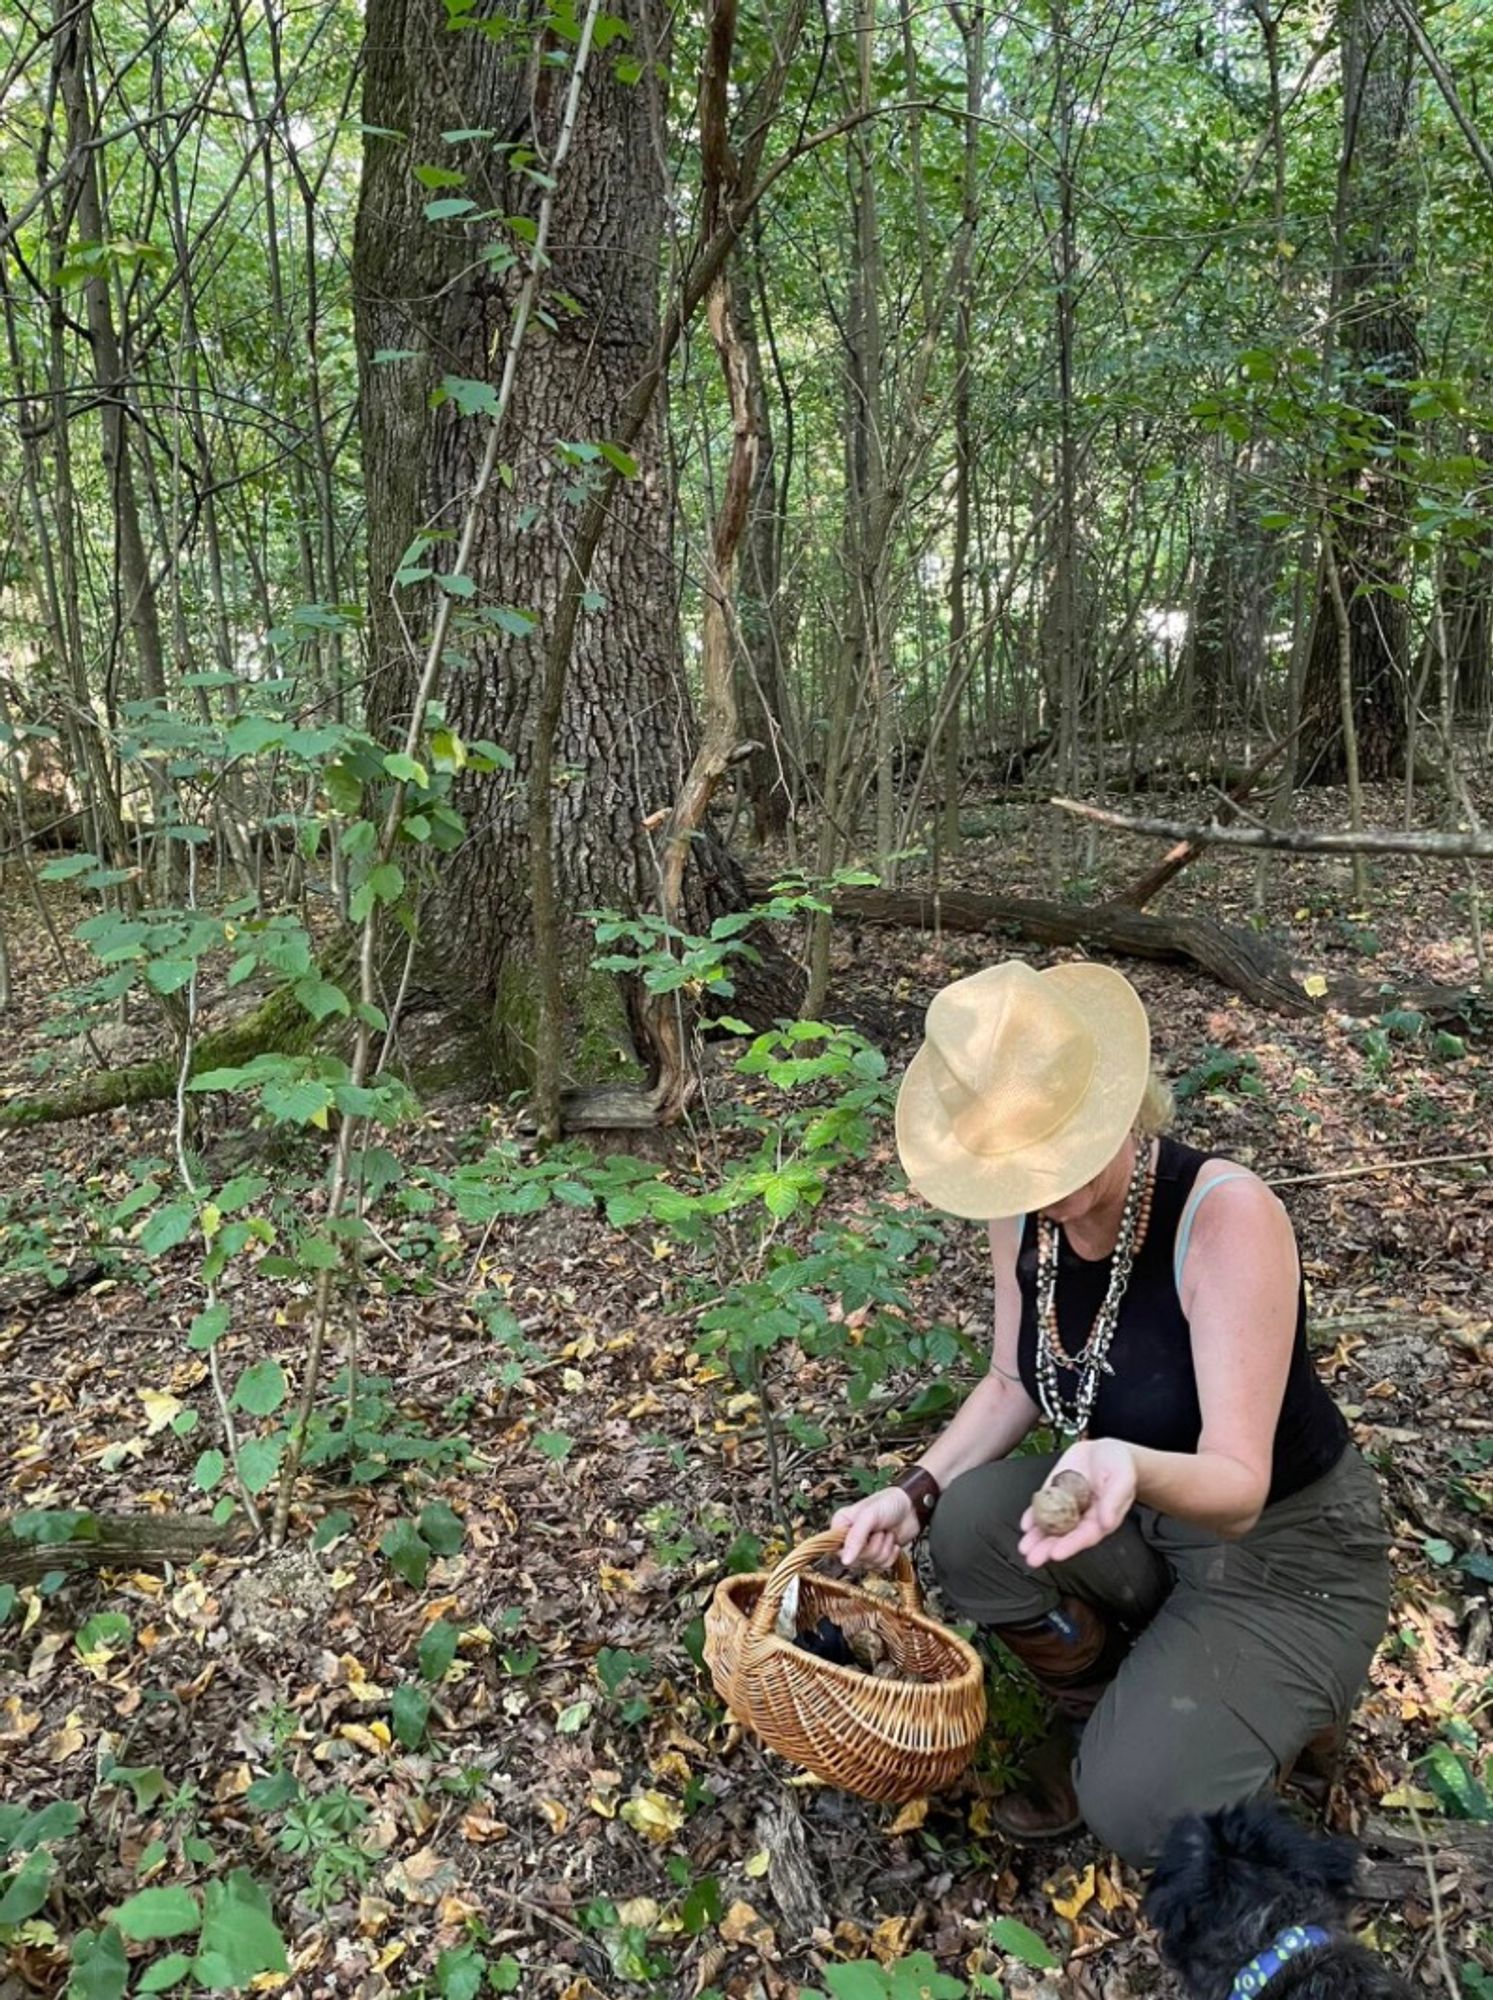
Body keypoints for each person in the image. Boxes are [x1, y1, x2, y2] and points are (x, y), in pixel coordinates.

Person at [831, 958, 1391, 1867]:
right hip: (1141, 1516)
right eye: (1016, 1168)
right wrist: (915, 1490)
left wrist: (1125, 1467)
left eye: (1062, 1149)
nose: (1046, 1190)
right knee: (971, 1522)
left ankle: (1279, 1714)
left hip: (1284, 1552)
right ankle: (1101, 1711)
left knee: (1137, 1814)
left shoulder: (1223, 1217)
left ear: (1118, 1101)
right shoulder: (1022, 1215)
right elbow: (1013, 1382)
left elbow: (1242, 1488)